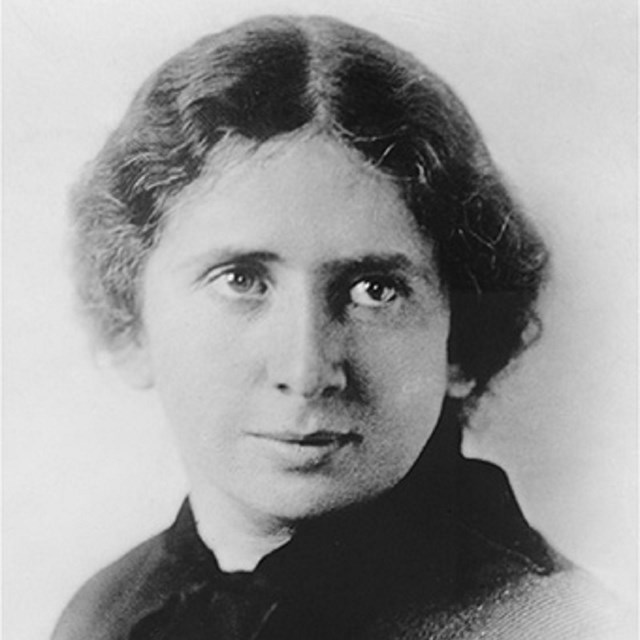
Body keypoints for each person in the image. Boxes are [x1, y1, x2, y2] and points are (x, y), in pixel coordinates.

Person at [52, 14, 625, 640]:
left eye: (374, 290)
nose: (305, 371)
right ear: (133, 322)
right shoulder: (105, 614)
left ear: (460, 341)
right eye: (242, 279)